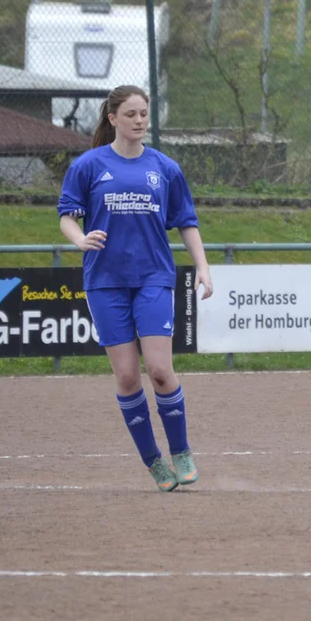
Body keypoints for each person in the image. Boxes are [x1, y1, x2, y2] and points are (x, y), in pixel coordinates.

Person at [57, 85, 213, 492]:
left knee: (160, 371)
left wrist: (203, 267)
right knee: (127, 377)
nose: (140, 120)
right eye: (131, 114)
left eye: (144, 113)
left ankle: (180, 451)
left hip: (153, 278)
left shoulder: (165, 167)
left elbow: (186, 221)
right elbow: (67, 216)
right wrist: (78, 239)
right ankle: (154, 462)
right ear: (112, 119)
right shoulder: (88, 166)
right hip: (105, 282)